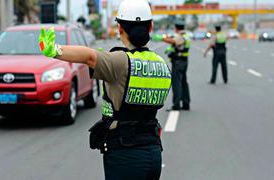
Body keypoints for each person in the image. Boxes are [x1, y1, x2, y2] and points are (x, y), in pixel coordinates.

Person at [39, 0, 171, 179]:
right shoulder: (161, 64)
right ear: (151, 27)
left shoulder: (120, 61)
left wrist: (54, 50)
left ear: (120, 28)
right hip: (153, 152)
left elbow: (89, 57)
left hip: (125, 156)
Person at [153, 20, 191, 111]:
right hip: (184, 61)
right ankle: (186, 103)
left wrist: (161, 38)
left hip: (178, 62)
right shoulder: (186, 36)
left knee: (176, 83)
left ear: (176, 28)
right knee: (183, 83)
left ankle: (176, 104)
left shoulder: (180, 37)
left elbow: (173, 41)